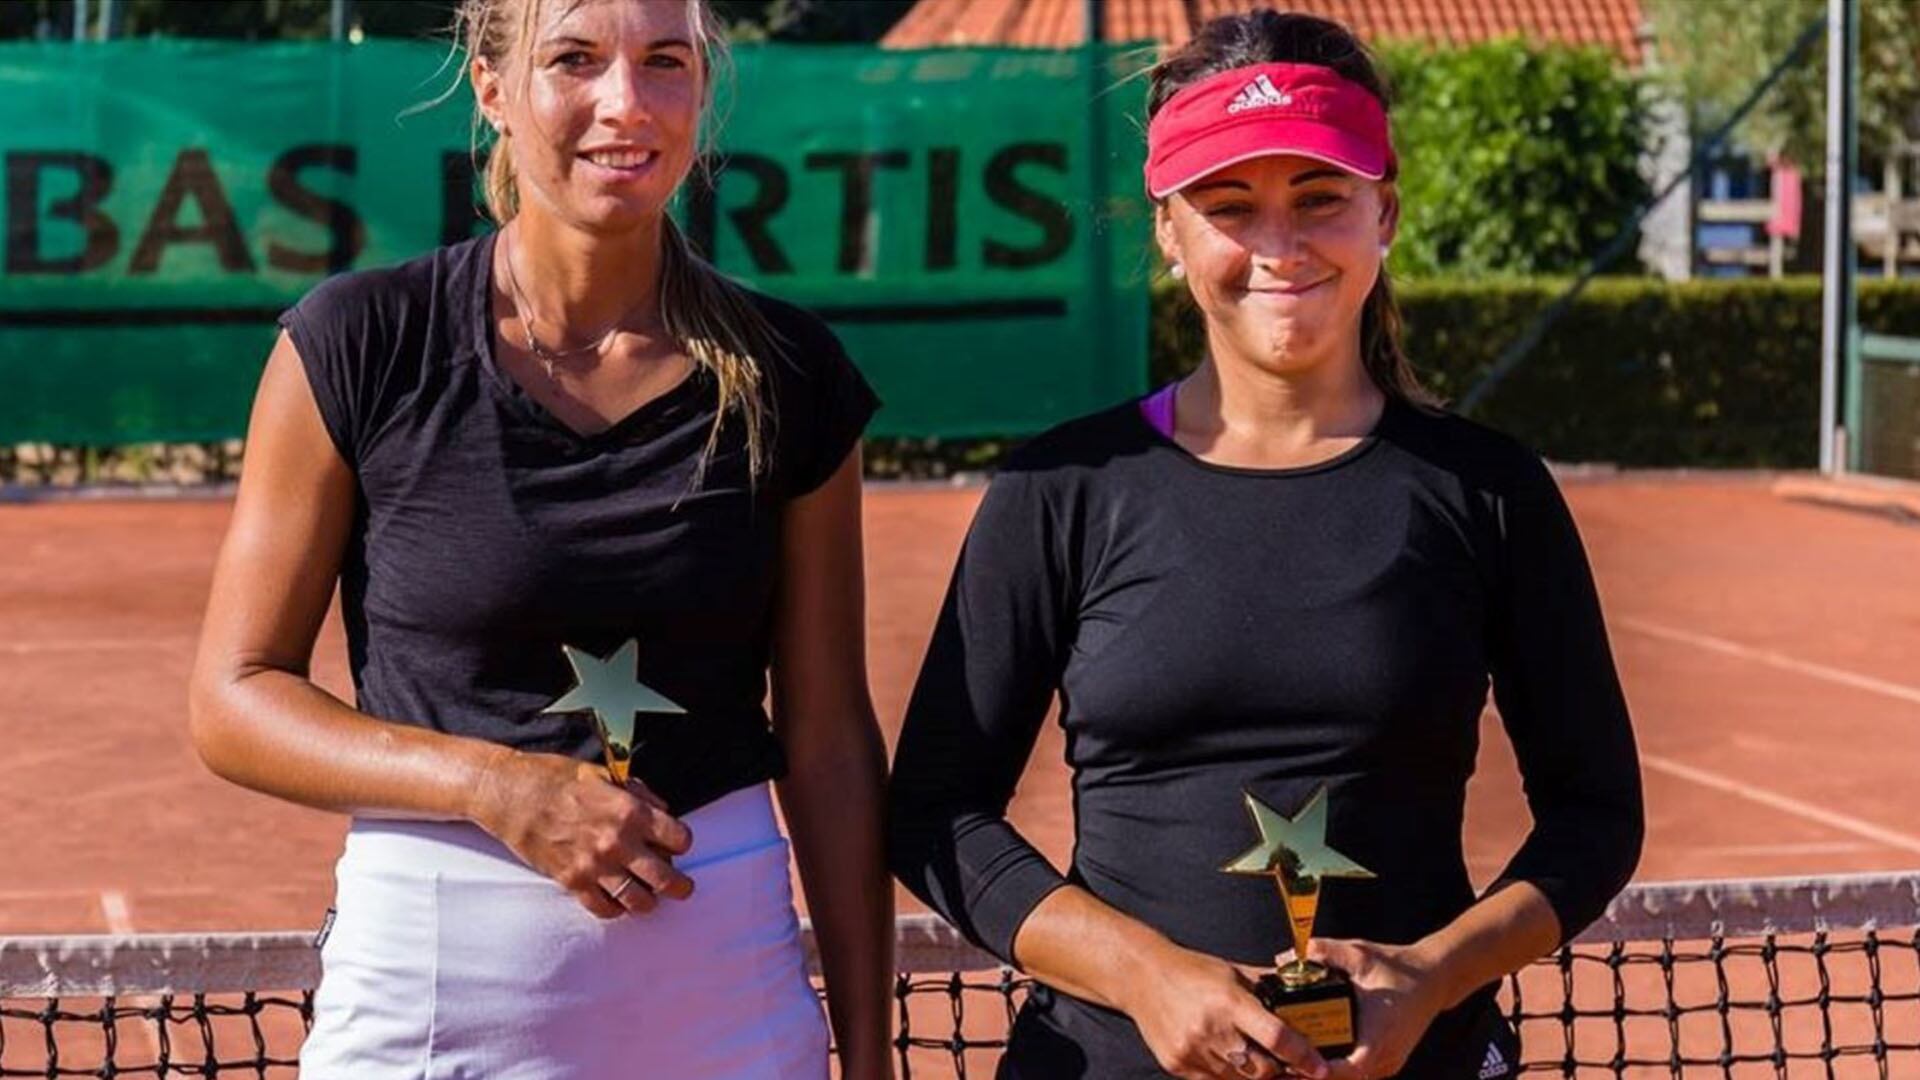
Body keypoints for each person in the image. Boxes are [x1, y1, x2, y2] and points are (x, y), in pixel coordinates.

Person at [887, 11, 1643, 1080]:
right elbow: (932, 814)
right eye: (1231, 206)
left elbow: (1596, 816)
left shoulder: (1489, 491)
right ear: (1170, 230)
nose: (1279, 248)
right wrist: (1146, 976)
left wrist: (1430, 976)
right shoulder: (1058, 491)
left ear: (1383, 211)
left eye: (1321, 200)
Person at [187, 1, 891, 1076]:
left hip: (733, 1015)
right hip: (427, 1012)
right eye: (575, 58)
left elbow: (830, 737)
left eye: (665, 61)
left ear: (703, 88)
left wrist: (872, 1054)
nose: (626, 102)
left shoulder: (793, 373)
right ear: (492, 85)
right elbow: (234, 699)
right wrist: (497, 787)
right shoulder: (359, 342)